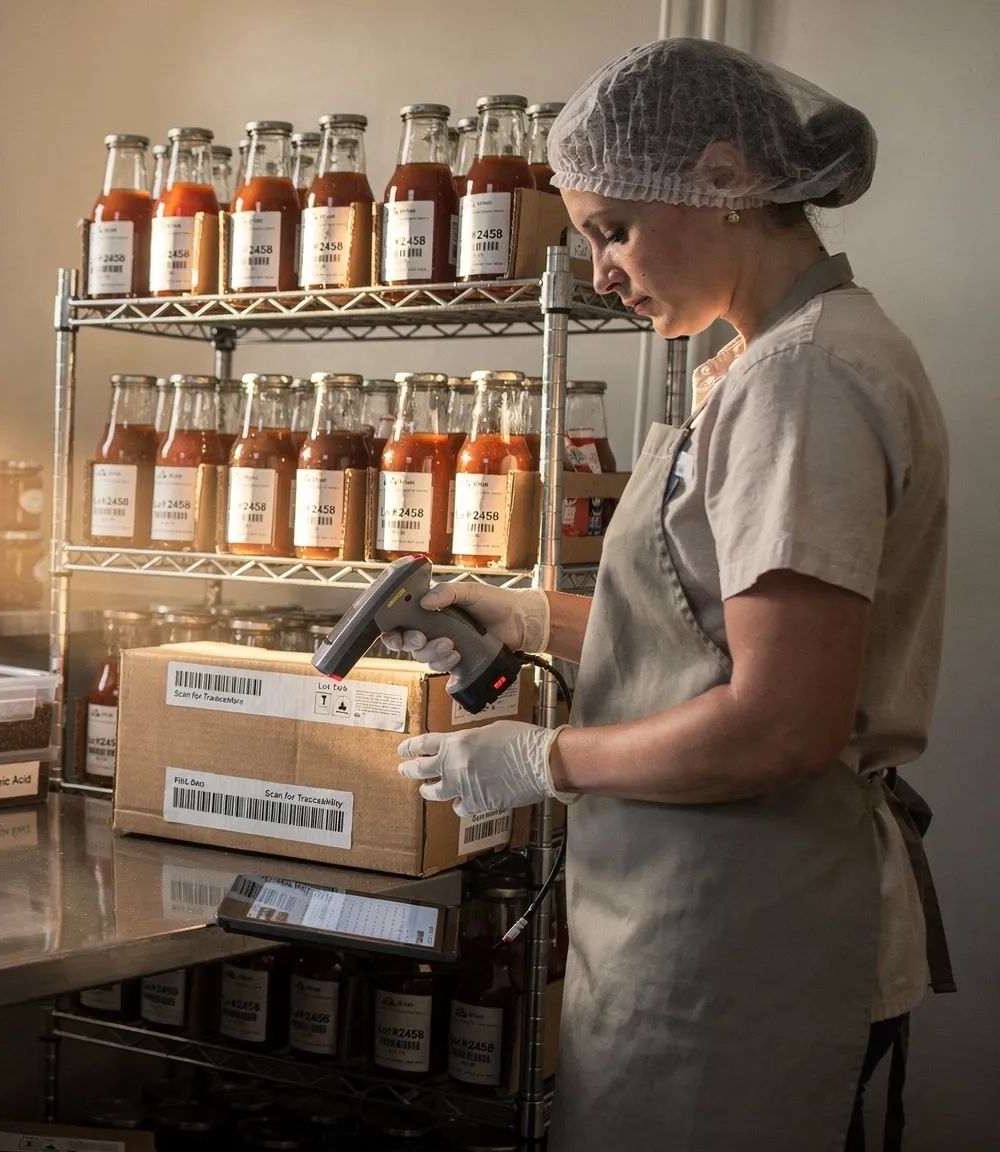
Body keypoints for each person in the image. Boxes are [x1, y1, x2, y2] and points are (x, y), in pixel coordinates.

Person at [381, 38, 953, 1152]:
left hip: (749, 942)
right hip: (696, 920)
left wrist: (532, 761)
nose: (597, 269)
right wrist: (531, 615)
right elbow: (722, 640)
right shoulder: (767, 360)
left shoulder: (804, 381)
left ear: (724, 180)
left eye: (612, 230)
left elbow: (779, 724)